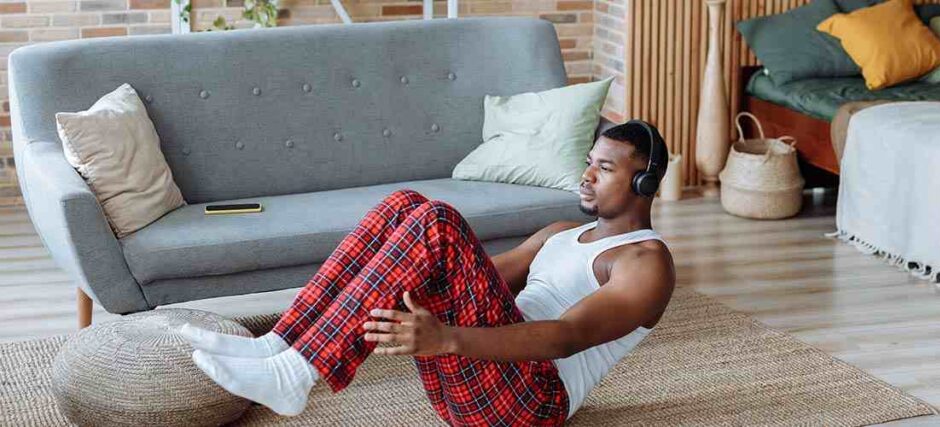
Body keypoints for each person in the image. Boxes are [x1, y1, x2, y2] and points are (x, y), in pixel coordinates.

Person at [180, 120, 676, 426]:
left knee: (437, 222)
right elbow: (476, 277)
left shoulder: (645, 262)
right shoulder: (561, 232)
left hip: (529, 404)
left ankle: (298, 372)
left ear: (643, 182)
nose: (586, 174)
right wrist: (405, 267)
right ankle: (285, 345)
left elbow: (564, 338)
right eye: (589, 162)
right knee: (407, 207)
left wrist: (448, 339)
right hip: (478, 385)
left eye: (605, 168)